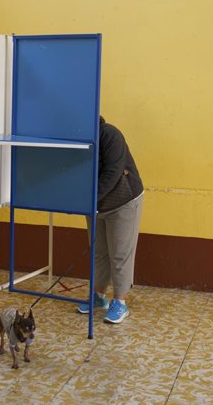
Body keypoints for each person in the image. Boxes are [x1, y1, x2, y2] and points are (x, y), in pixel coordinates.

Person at [77, 116, 144, 323]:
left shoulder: (110, 135)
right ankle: (98, 296)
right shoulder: (77, 138)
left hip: (123, 201)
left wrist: (91, 199)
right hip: (96, 203)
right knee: (99, 251)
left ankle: (120, 302)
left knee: (120, 253)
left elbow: (113, 173)